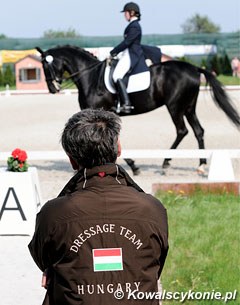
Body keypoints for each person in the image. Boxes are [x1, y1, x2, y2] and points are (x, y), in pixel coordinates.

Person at [28, 108, 168, 305]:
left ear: (71, 159)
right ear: (118, 148)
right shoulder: (153, 208)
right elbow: (155, 264)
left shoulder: (53, 213)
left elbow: (44, 259)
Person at [110, 2, 149, 114]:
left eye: (126, 13)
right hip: (128, 53)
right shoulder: (133, 25)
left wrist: (113, 51)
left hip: (132, 54)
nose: (124, 15)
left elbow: (127, 42)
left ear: (131, 13)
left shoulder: (135, 26)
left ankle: (126, 103)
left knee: (117, 75)